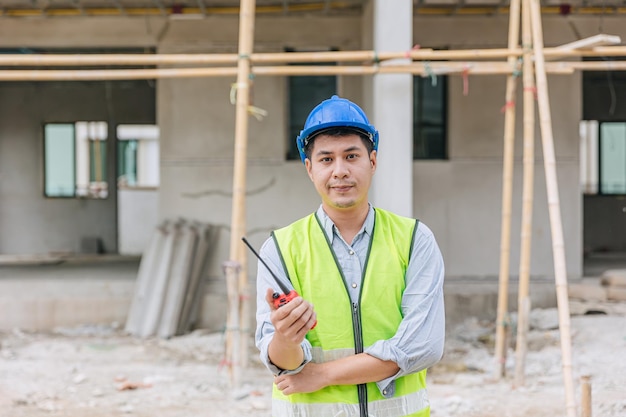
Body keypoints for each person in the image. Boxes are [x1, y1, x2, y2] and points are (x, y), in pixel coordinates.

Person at [254, 95, 445, 417]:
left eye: (351, 156)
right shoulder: (281, 248)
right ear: (309, 168)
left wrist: (322, 374)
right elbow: (283, 363)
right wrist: (286, 339)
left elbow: (421, 347)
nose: (340, 171)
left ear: (372, 161)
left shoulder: (414, 240)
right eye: (326, 159)